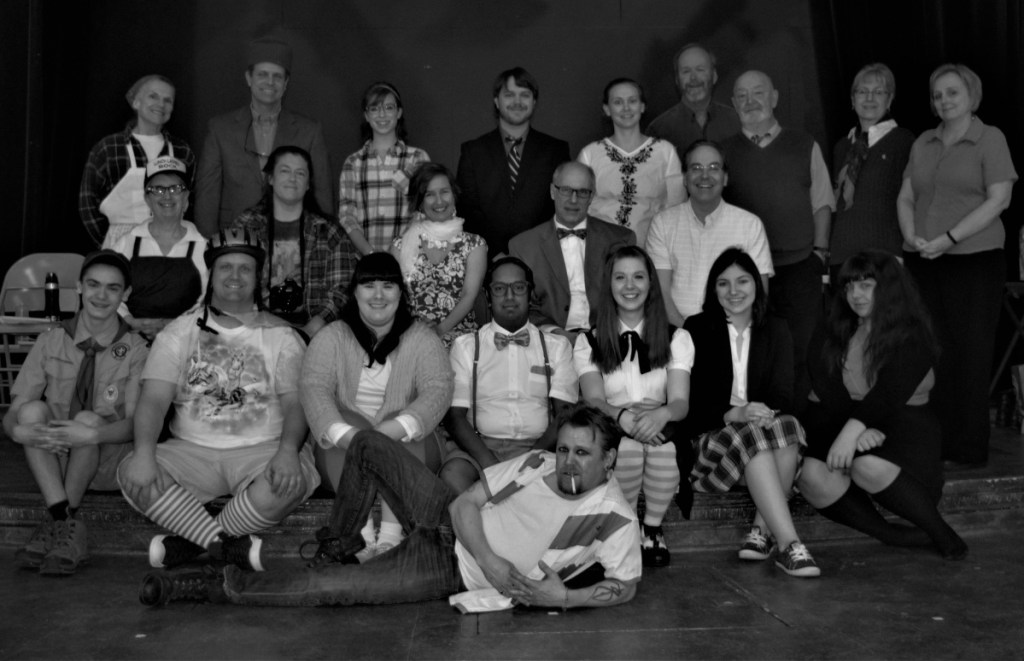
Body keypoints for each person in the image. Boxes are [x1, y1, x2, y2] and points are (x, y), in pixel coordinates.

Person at [138, 405, 641, 611]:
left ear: (610, 459)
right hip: (450, 518)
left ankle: (217, 584)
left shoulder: (615, 515)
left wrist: (565, 599)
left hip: (449, 569)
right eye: (566, 449)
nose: (568, 462)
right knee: (369, 445)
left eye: (583, 453)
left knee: (327, 591)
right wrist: (492, 558)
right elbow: (467, 505)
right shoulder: (537, 461)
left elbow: (629, 584)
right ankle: (339, 543)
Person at [117, 229, 319, 577]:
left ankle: (191, 543)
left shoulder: (282, 335)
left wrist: (288, 451)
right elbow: (152, 400)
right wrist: (146, 453)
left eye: (245, 268)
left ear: (258, 278)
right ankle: (222, 545)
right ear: (212, 274)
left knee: (289, 481)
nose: (235, 276)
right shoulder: (179, 332)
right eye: (226, 267)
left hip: (264, 450)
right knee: (132, 471)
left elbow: (296, 404)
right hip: (190, 452)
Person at [799, 251, 967, 560]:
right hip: (841, 419)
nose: (855, 295)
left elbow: (891, 391)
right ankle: (892, 535)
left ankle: (943, 534)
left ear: (888, 287)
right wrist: (853, 428)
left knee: (867, 465)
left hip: (904, 428)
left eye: (866, 285)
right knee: (809, 474)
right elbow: (825, 382)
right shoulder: (833, 325)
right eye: (849, 286)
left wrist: (854, 429)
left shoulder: (914, 332)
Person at [897, 63, 1017, 468]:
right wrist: (912, 236)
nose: (943, 101)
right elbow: (906, 197)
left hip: (975, 262)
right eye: (937, 95)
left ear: (971, 96)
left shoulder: (990, 138)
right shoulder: (924, 143)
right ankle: (938, 442)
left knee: (970, 354)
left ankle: (967, 448)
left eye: (952, 93)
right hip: (925, 261)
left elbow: (999, 199)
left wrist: (949, 238)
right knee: (934, 352)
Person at [300, 253, 453, 560]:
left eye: (388, 285)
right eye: (369, 285)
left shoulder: (422, 338)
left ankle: (392, 536)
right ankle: (362, 535)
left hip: (411, 443)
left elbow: (438, 390)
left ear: (401, 293)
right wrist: (356, 440)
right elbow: (314, 388)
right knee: (339, 422)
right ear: (354, 291)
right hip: (341, 444)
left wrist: (386, 434)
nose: (379, 295)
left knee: (405, 420)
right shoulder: (332, 337)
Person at [4, 251, 148, 575]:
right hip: (56, 459)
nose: (101, 295)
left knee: (86, 419)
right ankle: (64, 522)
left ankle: (54, 522)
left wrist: (92, 434)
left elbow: (138, 427)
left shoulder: (137, 349)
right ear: (79, 286)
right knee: (30, 412)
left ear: (125, 295)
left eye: (113, 288)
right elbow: (13, 414)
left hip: (106, 459)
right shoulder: (51, 340)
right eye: (94, 284)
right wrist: (16, 431)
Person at [682, 248, 819, 578]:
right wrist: (734, 413)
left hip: (762, 433)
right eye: (723, 283)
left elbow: (785, 393)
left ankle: (761, 531)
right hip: (713, 438)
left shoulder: (775, 328)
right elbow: (691, 402)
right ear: (713, 290)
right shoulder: (696, 328)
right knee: (756, 437)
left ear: (757, 285)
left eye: (742, 281)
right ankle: (788, 544)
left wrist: (759, 413)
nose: (733, 291)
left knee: (786, 425)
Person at [721, 70, 835, 409]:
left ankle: (794, 425)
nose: (750, 100)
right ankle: (758, 427)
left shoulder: (804, 144)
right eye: (742, 95)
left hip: (800, 264)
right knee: (754, 350)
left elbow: (823, 203)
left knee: (801, 348)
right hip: (748, 272)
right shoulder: (723, 152)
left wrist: (819, 253)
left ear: (774, 98)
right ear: (733, 104)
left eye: (758, 92)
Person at [574, 245, 691, 567]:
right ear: (608, 285)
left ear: (651, 283)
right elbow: (594, 400)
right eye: (620, 277)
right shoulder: (589, 341)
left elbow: (680, 402)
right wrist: (623, 416)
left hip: (662, 418)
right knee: (625, 450)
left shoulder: (677, 337)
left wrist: (660, 414)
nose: (630, 286)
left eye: (639, 277)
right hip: (610, 419)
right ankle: (623, 527)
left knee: (664, 450)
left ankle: (652, 527)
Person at [442, 257, 578, 493]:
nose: (509, 296)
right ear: (487, 296)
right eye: (499, 289)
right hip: (480, 447)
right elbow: (455, 418)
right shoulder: (466, 346)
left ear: (530, 293)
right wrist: (491, 466)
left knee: (562, 482)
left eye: (518, 287)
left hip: (540, 448)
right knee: (453, 475)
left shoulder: (557, 347)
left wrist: (530, 461)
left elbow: (564, 416)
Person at [195, 36, 332, 235]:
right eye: (263, 74)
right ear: (249, 78)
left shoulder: (309, 131)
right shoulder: (220, 129)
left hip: (293, 239)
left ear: (286, 83)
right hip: (235, 239)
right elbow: (207, 196)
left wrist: (323, 240)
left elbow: (322, 195)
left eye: (277, 76)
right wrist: (210, 247)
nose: (270, 82)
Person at [231, 145, 356, 340]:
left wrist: (311, 329)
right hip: (255, 331)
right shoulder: (245, 227)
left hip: (315, 333)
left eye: (300, 173)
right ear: (270, 178)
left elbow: (341, 290)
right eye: (285, 171)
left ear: (308, 184)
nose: (292, 178)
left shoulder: (330, 232)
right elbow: (232, 279)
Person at [646, 139, 773, 326]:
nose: (704, 176)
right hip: (676, 333)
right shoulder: (663, 224)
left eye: (714, 168)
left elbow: (759, 293)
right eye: (696, 168)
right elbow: (660, 292)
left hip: (732, 336)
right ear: (684, 178)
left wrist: (726, 339)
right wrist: (688, 335)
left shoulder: (749, 225)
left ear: (725, 177)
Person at [508, 162, 635, 344]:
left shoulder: (621, 239)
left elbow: (631, 297)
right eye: (566, 190)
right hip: (549, 342)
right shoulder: (522, 246)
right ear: (553, 191)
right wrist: (555, 333)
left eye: (582, 192)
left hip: (610, 340)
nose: (574, 200)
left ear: (591, 197)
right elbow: (523, 306)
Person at [456, 67, 570, 256]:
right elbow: (466, 210)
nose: (517, 102)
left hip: (541, 258)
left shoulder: (556, 151)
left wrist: (530, 252)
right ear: (497, 102)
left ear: (534, 101)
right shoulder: (473, 151)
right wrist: (494, 253)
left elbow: (559, 207)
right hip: (486, 259)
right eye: (509, 95)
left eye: (525, 95)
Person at [79, 74, 195, 249]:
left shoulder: (182, 151)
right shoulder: (108, 149)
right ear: (135, 102)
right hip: (119, 243)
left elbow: (191, 200)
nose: (161, 104)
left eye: (168, 100)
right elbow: (87, 203)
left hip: (170, 244)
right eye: (153, 96)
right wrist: (110, 241)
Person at [829, 63, 914, 277]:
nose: (869, 98)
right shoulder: (842, 147)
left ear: (890, 99)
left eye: (878, 92)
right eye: (862, 92)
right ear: (852, 99)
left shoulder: (903, 141)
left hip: (884, 256)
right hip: (843, 256)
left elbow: (912, 199)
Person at [577, 78, 684, 247]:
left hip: (651, 252)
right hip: (602, 251)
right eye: (618, 102)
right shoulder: (589, 154)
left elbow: (677, 209)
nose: (626, 108)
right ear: (607, 109)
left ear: (642, 106)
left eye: (632, 101)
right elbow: (580, 209)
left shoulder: (665, 152)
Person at [110, 157, 208, 341]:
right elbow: (108, 291)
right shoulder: (127, 243)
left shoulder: (203, 246)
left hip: (186, 341)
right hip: (131, 339)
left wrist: (172, 326)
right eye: (158, 189)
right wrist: (131, 321)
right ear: (147, 198)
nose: (167, 196)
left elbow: (209, 301)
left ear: (186, 196)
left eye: (175, 189)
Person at [391, 163, 487, 347]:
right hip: (410, 337)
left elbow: (469, 296)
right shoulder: (399, 246)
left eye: (444, 192)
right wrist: (416, 331)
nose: (439, 201)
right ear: (419, 202)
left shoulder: (475, 245)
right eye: (429, 194)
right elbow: (394, 297)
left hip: (460, 339)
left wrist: (439, 331)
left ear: (454, 194)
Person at [338, 81, 431, 256]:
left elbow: (423, 212)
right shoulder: (353, 163)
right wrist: (370, 253)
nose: (382, 114)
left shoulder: (417, 158)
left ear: (399, 113)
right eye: (374, 108)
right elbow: (347, 216)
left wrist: (397, 252)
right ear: (366, 115)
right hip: (365, 262)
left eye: (389, 107)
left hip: (409, 258)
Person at [646, 44, 740, 161]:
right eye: (686, 71)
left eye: (700, 70)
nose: (693, 78)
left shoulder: (737, 122)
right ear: (677, 80)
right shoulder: (659, 130)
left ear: (714, 76)